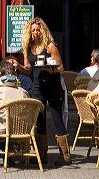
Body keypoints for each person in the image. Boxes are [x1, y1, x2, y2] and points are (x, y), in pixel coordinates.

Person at [10, 17, 71, 166]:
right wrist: (17, 66)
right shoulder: (27, 47)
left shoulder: (49, 46)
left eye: (38, 30)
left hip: (53, 84)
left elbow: (61, 67)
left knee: (57, 118)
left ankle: (65, 156)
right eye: (33, 30)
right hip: (38, 85)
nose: (35, 33)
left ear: (42, 30)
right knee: (40, 120)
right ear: (29, 32)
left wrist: (49, 69)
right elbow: (28, 69)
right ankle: (41, 155)